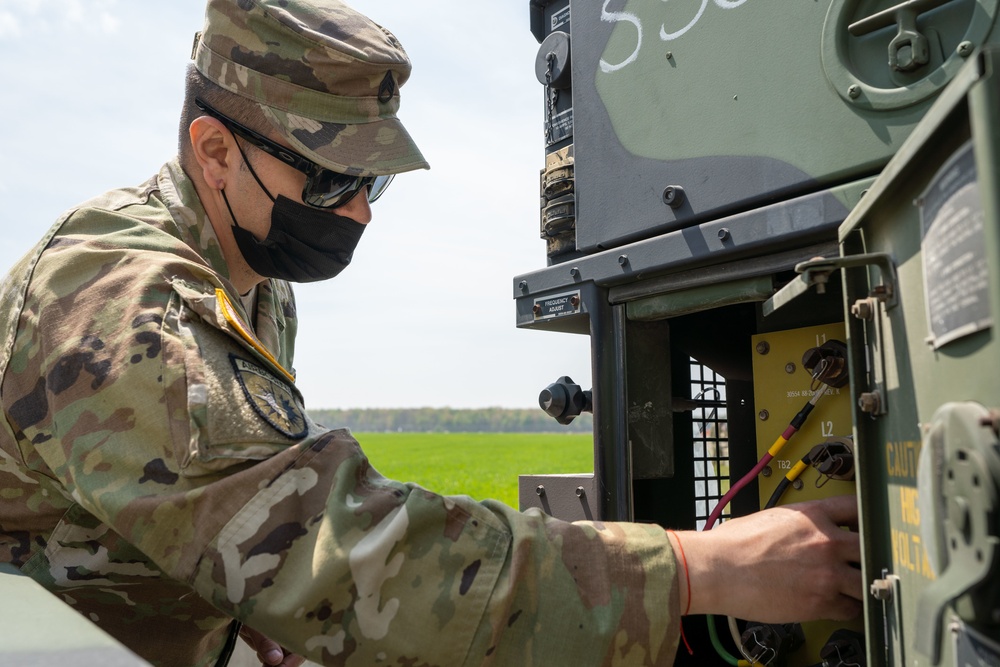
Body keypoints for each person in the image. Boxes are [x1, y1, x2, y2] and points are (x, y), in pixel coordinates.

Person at [0, 1, 863, 666]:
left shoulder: (253, 282)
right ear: (215, 151)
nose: (362, 210)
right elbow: (339, 551)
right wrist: (699, 569)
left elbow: (229, 515)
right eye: (335, 179)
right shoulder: (119, 298)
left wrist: (250, 620)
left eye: (374, 182)